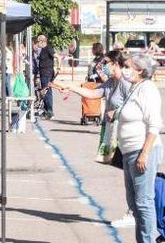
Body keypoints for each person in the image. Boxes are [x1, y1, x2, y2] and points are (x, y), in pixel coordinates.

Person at [53, 50, 135, 226]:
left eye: (106, 63)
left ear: (115, 63)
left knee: (133, 176)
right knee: (128, 176)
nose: (102, 67)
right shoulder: (111, 82)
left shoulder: (127, 83)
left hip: (130, 135)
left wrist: (118, 112)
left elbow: (137, 106)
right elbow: (93, 94)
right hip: (118, 134)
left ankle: (135, 213)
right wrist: (71, 86)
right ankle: (133, 211)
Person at [115, 54, 163, 243]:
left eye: (128, 67)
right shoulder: (136, 87)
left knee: (144, 201)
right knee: (134, 202)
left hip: (142, 150)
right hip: (129, 151)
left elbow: (154, 124)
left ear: (140, 70)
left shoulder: (149, 89)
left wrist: (144, 153)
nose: (125, 70)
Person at [34, 35, 59, 120]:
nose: (37, 44)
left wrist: (59, 67)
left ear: (42, 41)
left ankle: (50, 111)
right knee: (43, 92)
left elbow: (58, 57)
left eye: (38, 42)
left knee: (47, 92)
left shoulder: (48, 48)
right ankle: (46, 110)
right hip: (43, 73)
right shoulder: (42, 50)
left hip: (47, 73)